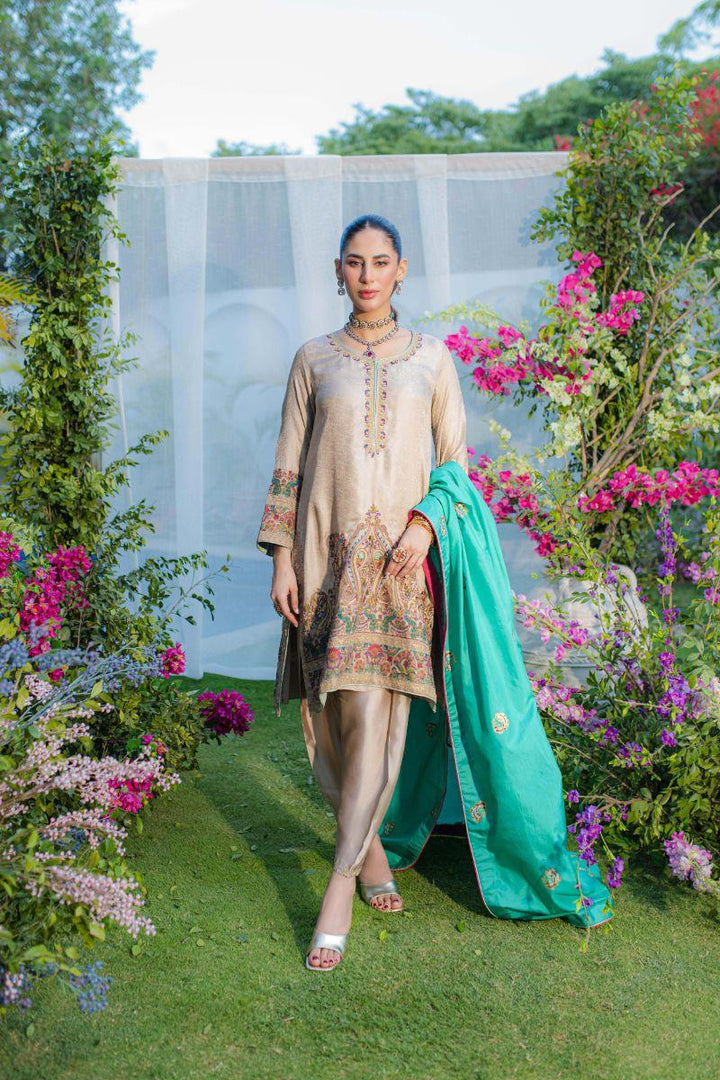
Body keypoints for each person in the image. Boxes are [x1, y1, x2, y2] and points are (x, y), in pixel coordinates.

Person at [256, 213, 468, 971]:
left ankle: (339, 888)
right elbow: (288, 465)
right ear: (339, 271)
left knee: (377, 720)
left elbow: (455, 466)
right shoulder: (313, 359)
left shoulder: (432, 359)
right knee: (334, 729)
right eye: (355, 262)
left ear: (401, 269)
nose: (368, 275)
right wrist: (282, 562)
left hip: (397, 566)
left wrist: (426, 527)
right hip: (324, 559)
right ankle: (371, 853)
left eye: (381, 262)